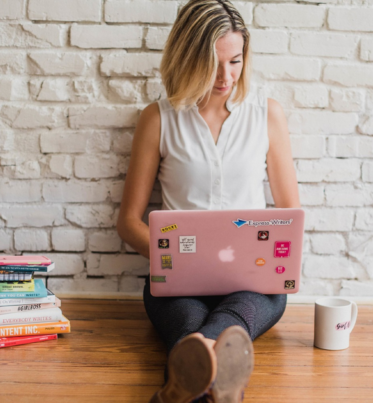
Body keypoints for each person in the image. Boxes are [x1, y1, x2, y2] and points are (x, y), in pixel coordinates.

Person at [116, 0, 300, 401]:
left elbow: (290, 216)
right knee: (194, 333)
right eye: (213, 63)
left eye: (235, 61)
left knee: (215, 333)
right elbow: (128, 222)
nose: (226, 76)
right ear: (188, 57)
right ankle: (224, 389)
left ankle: (175, 392)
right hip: (178, 284)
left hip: (253, 286)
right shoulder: (158, 118)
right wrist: (177, 257)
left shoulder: (267, 115)